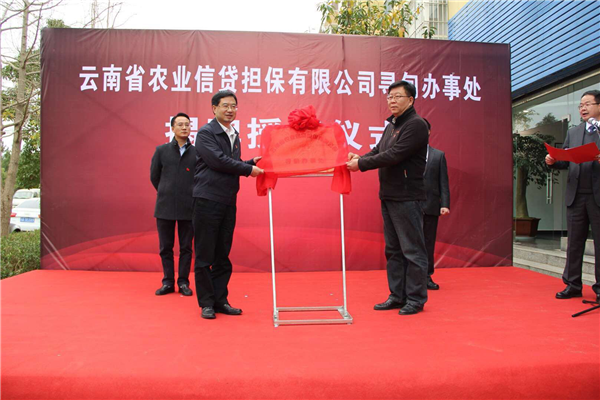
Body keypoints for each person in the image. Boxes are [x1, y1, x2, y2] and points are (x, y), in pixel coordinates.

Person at [347, 80, 429, 315]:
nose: (392, 101)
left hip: (407, 196)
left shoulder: (416, 125)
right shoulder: (392, 125)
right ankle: (397, 295)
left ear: (410, 100)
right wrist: (361, 158)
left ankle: (416, 299)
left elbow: (394, 155)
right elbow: (379, 150)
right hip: (390, 195)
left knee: (412, 250)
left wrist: (361, 165)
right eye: (390, 97)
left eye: (397, 97)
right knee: (393, 250)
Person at [193, 90, 263, 319]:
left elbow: (231, 163)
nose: (230, 110)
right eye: (225, 105)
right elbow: (218, 162)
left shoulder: (233, 133)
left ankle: (220, 300)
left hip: (227, 201)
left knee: (223, 254)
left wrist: (250, 162)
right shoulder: (206, 133)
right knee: (205, 254)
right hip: (207, 199)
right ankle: (206, 303)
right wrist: (248, 169)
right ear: (214, 108)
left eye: (233, 106)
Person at [545, 90, 600, 304]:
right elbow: (566, 160)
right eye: (580, 105)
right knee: (574, 243)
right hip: (576, 196)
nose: (583, 108)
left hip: (597, 196)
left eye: (587, 104)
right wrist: (553, 161)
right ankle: (573, 284)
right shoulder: (574, 132)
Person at [150, 112, 195, 296]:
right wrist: (166, 190)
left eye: (187, 124)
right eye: (180, 124)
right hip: (165, 206)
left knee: (186, 248)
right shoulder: (161, 151)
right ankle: (168, 282)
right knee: (165, 247)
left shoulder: (197, 152)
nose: (184, 127)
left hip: (189, 207)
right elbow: (154, 177)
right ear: (172, 128)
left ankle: (183, 282)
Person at [421, 118, 450, 290]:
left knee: (428, 243)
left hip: (431, 206)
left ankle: (426, 276)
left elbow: (443, 182)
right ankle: (410, 277)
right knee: (409, 244)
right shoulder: (406, 154)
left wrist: (444, 204)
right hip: (410, 207)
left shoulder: (438, 155)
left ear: (429, 132)